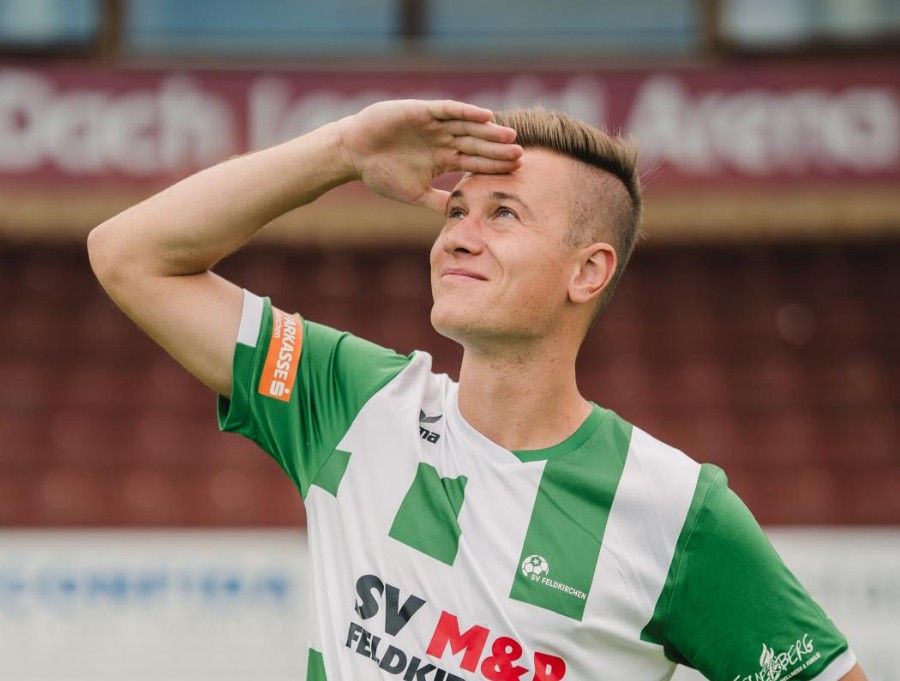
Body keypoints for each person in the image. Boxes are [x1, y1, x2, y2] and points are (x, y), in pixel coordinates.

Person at [88, 99, 865, 681]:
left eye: (504, 214)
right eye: (456, 208)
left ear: (587, 270)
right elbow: (129, 255)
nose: (458, 232)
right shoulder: (352, 401)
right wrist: (343, 149)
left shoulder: (674, 508)